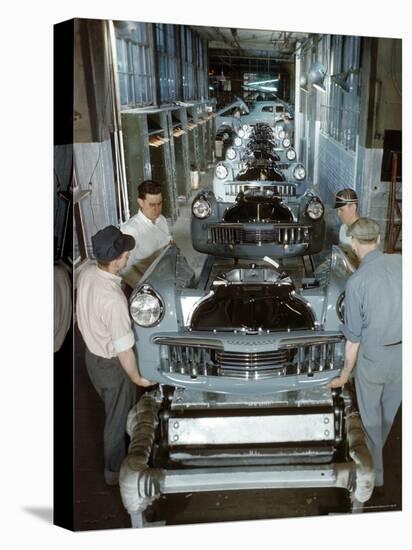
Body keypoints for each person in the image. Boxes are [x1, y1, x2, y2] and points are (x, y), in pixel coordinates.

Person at [77, 225, 154, 485]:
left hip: (92, 357)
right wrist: (137, 378)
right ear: (116, 260)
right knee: (117, 418)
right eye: (125, 254)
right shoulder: (113, 300)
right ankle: (113, 473)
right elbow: (124, 351)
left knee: (114, 411)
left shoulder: (87, 273)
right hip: (112, 366)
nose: (128, 256)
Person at [328, 218, 402, 489]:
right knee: (387, 416)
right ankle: (377, 465)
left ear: (354, 243)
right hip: (403, 357)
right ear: (379, 239)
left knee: (371, 422)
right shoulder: (403, 263)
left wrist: (344, 375)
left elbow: (353, 340)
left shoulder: (357, 282)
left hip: (374, 360)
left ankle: (375, 478)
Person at [120, 180, 173, 288]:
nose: (156, 209)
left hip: (165, 280)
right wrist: (147, 288)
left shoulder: (162, 220)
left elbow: (170, 245)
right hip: (144, 289)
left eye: (159, 204)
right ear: (140, 202)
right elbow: (124, 270)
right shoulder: (130, 230)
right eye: (152, 205)